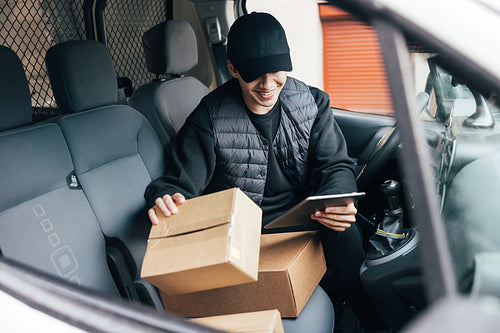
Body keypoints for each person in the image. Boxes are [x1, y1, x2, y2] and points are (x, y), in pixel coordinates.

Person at [145, 12, 386, 331]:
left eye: (276, 71)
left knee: (347, 229)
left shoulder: (311, 102)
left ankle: (373, 323)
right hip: (251, 236)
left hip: (306, 218)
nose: (268, 84)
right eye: (254, 75)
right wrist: (165, 198)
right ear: (233, 69)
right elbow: (177, 184)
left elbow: (335, 164)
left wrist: (335, 201)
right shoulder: (208, 119)